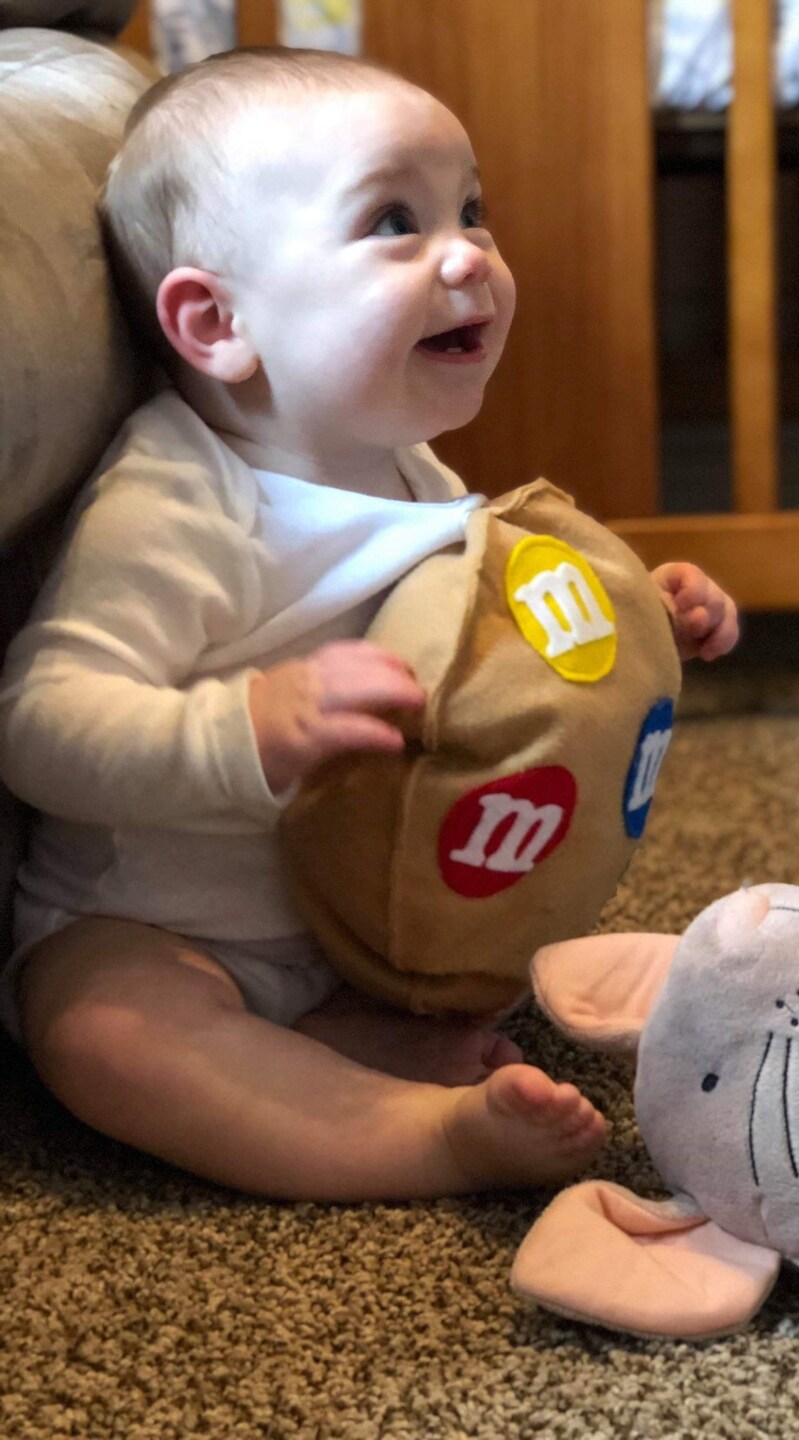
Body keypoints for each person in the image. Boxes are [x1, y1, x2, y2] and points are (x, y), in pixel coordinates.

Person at [0, 48, 738, 1202]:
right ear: (216, 322)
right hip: (162, 927)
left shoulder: (403, 465)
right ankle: (416, 1136)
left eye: (473, 211)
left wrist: (640, 608)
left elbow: (476, 633)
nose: (472, 256)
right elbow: (41, 722)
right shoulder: (182, 502)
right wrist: (245, 728)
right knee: (99, 1030)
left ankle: (359, 1030)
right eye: (396, 220)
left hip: (365, 926)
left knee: (507, 903)